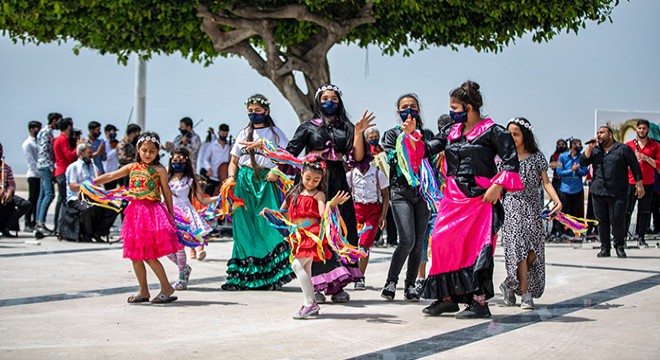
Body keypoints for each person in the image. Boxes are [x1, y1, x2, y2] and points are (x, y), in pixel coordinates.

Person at [421, 80, 522, 319]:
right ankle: (447, 298)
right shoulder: (450, 132)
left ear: (469, 107)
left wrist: (498, 185)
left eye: (455, 108)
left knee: (477, 249)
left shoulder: (494, 131)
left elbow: (510, 161)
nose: (451, 113)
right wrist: (411, 136)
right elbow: (428, 148)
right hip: (452, 196)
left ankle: (479, 302)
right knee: (441, 241)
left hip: (480, 198)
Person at [282, 84, 375, 303]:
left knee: (342, 230)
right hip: (314, 183)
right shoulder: (308, 126)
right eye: (325, 98)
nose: (329, 102)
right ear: (318, 101)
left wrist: (359, 132)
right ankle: (315, 286)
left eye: (334, 98)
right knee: (315, 232)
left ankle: (337, 285)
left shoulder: (347, 127)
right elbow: (290, 153)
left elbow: (359, 158)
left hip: (337, 180)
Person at [91, 132, 182, 303]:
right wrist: (91, 183)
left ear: (157, 152)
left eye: (152, 151)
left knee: (148, 254)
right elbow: (111, 176)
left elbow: (166, 193)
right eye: (144, 150)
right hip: (134, 214)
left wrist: (171, 216)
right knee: (135, 255)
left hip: (151, 214)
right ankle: (144, 291)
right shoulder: (132, 167)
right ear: (138, 150)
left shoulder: (160, 170)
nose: (148, 154)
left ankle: (166, 287)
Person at [221, 94, 295, 291]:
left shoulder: (276, 133)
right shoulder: (243, 133)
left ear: (266, 112)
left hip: (267, 181)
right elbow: (234, 161)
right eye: (250, 111)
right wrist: (231, 177)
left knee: (267, 224)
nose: (254, 114)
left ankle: (271, 275)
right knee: (243, 227)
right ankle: (244, 277)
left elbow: (287, 157)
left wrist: (276, 171)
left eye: (258, 111)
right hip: (243, 182)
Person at [263, 156, 351, 319]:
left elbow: (322, 213)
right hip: (297, 236)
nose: (311, 183)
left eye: (316, 180)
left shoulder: (319, 195)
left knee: (297, 265)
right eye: (308, 178)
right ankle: (309, 302)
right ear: (301, 173)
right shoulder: (293, 193)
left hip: (312, 234)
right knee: (306, 270)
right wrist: (269, 212)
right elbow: (282, 212)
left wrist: (332, 204)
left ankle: (311, 304)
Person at [499, 117, 562, 310]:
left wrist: (557, 201)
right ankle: (526, 295)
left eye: (516, 134)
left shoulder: (537, 157)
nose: (512, 137)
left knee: (533, 250)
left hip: (533, 206)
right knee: (518, 250)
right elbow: (498, 183)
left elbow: (546, 182)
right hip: (512, 205)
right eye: (509, 134)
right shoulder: (504, 157)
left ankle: (509, 284)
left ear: (525, 135)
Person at [381, 93, 437, 302]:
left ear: (418, 110)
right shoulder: (391, 134)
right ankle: (391, 281)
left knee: (418, 242)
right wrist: (407, 136)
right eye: (404, 107)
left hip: (422, 193)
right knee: (406, 239)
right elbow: (393, 158)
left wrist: (417, 137)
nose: (408, 110)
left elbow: (428, 157)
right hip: (400, 192)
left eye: (412, 106)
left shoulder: (427, 134)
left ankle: (410, 285)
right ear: (398, 112)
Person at [581, 126, 643, 258]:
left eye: (602, 132)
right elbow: (583, 162)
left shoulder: (623, 149)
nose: (599, 135)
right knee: (602, 221)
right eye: (597, 133)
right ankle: (605, 248)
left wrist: (639, 185)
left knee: (617, 220)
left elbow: (635, 167)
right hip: (598, 191)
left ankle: (619, 246)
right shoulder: (595, 150)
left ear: (610, 135)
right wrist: (590, 147)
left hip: (618, 192)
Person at [167, 147, 218, 290]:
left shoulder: (190, 179)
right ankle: (184, 268)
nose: (178, 163)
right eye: (175, 160)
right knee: (166, 248)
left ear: (187, 162)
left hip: (184, 215)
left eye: (181, 160)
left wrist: (219, 197)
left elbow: (201, 199)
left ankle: (182, 278)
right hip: (168, 212)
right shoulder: (165, 176)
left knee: (179, 247)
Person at [347, 149, 389, 290]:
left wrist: (383, 216)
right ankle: (350, 272)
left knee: (365, 244)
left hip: (373, 211)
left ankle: (360, 276)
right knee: (352, 244)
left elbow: (386, 195)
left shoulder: (378, 174)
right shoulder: (350, 175)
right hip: (355, 210)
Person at [60, 143, 117, 242]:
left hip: (93, 196)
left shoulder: (93, 167)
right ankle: (87, 234)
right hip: (77, 197)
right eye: (89, 153)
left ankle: (99, 232)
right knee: (89, 208)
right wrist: (87, 186)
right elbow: (72, 186)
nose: (91, 155)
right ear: (81, 153)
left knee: (113, 207)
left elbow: (98, 183)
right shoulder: (74, 167)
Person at [624, 120, 660, 247]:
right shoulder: (629, 145)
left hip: (648, 182)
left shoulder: (655, 146)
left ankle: (641, 237)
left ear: (648, 130)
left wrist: (646, 158)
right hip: (631, 181)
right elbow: (622, 164)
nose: (641, 130)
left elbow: (658, 165)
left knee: (644, 211)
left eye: (644, 128)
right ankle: (622, 237)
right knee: (627, 210)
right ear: (636, 130)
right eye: (639, 128)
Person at [366, 128, 398, 248]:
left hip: (386, 183)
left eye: (375, 136)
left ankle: (392, 238)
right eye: (371, 137)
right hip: (374, 185)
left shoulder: (382, 149)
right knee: (377, 211)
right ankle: (375, 237)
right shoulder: (366, 151)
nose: (374, 139)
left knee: (391, 212)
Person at [53, 117, 84, 234]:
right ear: (67, 127)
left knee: (61, 200)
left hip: (61, 170)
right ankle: (59, 226)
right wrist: (78, 146)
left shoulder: (60, 139)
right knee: (63, 200)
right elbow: (69, 156)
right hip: (62, 171)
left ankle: (59, 226)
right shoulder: (62, 139)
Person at [34, 112, 61, 238]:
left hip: (42, 165)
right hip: (46, 165)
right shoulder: (46, 132)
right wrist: (51, 168)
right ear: (54, 121)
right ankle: (40, 223)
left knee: (43, 194)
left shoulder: (44, 132)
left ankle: (39, 222)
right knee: (49, 194)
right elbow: (45, 151)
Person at [556, 139, 589, 236]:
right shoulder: (562, 157)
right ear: (573, 145)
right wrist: (571, 170)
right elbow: (559, 172)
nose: (580, 146)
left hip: (577, 189)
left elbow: (584, 172)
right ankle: (562, 231)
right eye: (578, 144)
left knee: (575, 212)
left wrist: (577, 169)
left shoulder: (581, 157)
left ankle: (573, 231)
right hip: (565, 188)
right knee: (564, 211)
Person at [0, 143, 32, 237]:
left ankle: (6, 226)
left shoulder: (6, 168)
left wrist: (9, 192)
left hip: (6, 193)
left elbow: (11, 184)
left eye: (1, 150)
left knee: (26, 205)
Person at [200, 123, 231, 197]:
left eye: (225, 132)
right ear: (219, 132)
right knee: (209, 195)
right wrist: (208, 168)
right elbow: (204, 159)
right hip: (213, 176)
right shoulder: (212, 145)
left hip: (225, 177)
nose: (223, 134)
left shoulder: (229, 145)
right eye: (222, 132)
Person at [22, 120, 42, 231]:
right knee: (32, 199)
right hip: (33, 175)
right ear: (31, 129)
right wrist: (39, 172)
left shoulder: (38, 142)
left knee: (38, 199)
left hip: (40, 175)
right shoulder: (27, 144)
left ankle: (35, 221)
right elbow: (31, 161)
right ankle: (27, 221)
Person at [548, 139, 568, 238]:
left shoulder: (568, 156)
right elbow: (550, 165)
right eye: (559, 144)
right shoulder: (554, 155)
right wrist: (559, 164)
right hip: (556, 182)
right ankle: (555, 229)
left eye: (563, 144)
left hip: (565, 182)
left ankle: (564, 229)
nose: (561, 146)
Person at [102, 124, 120, 189]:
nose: (114, 133)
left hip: (115, 171)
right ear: (107, 132)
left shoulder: (116, 142)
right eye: (113, 131)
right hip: (107, 171)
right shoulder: (103, 143)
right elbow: (106, 157)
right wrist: (115, 150)